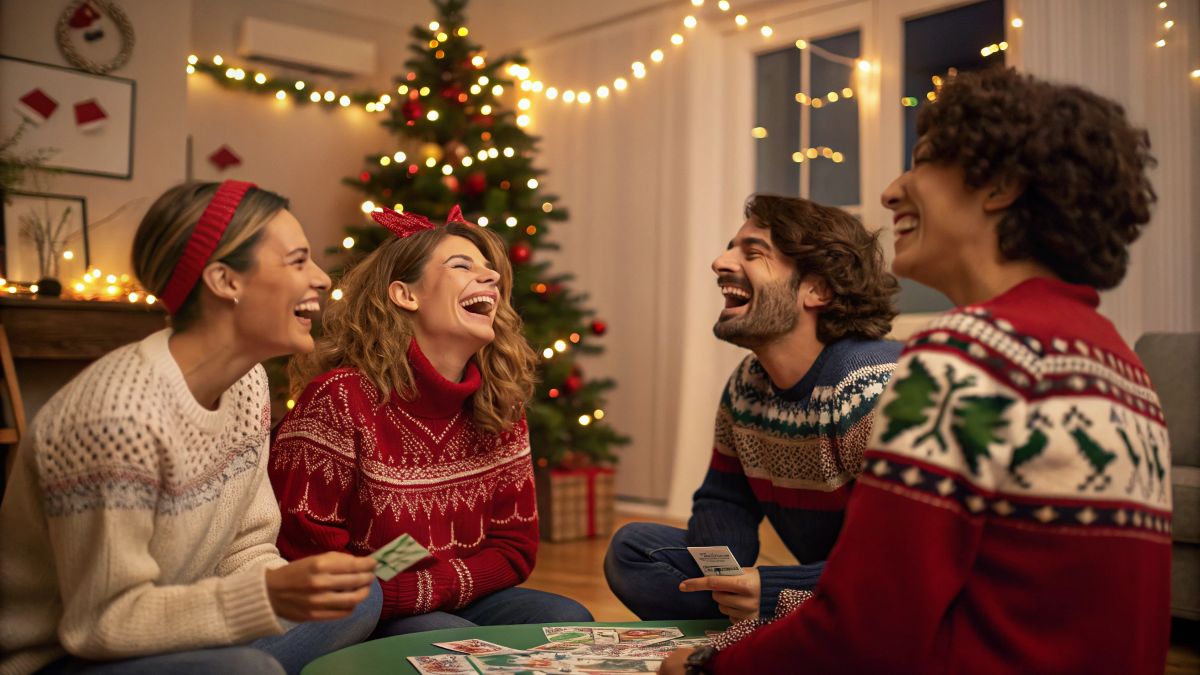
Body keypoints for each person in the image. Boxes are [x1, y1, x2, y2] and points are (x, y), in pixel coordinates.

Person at [661, 67, 1171, 675]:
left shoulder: (968, 356)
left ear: (1000, 187)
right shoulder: (1119, 361)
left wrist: (707, 669)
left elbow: (864, 629)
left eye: (924, 161)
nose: (892, 191)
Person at [0, 181, 382, 675]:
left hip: (178, 630)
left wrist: (289, 590)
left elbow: (248, 544)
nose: (322, 279)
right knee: (246, 670)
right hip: (67, 657)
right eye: (297, 261)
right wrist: (266, 598)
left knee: (359, 596)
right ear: (225, 281)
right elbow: (100, 623)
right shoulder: (118, 419)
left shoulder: (246, 383)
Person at [269, 205, 592, 637]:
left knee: (569, 622)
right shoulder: (341, 398)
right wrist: (403, 598)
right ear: (405, 295)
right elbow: (306, 555)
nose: (492, 276)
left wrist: (432, 587)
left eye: (490, 269)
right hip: (363, 610)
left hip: (457, 597)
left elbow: (515, 548)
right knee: (443, 639)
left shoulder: (501, 405)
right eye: (462, 265)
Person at [605, 195, 903, 622]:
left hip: (892, 593)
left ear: (817, 289)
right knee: (633, 549)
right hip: (828, 584)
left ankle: (769, 626)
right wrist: (728, 577)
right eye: (730, 247)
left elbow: (904, 558)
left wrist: (774, 591)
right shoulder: (748, 383)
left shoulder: (870, 385)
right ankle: (764, 626)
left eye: (753, 253)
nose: (719, 262)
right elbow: (723, 500)